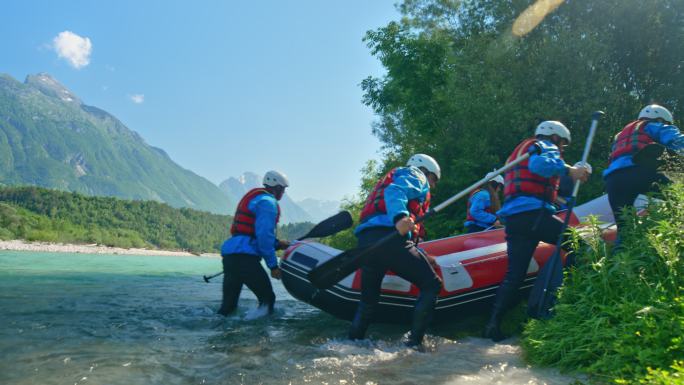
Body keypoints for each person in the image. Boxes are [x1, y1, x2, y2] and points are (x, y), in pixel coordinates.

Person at [483, 121, 591, 342]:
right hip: (534, 216)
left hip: (515, 219)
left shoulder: (524, 149)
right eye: (562, 145)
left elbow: (541, 181)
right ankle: (570, 300)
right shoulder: (544, 146)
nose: (561, 150)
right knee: (578, 245)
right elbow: (540, 167)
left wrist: (570, 185)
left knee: (515, 275)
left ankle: (492, 325)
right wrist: (571, 170)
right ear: (554, 138)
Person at [348, 154, 443, 348]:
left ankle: (352, 343)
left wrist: (422, 255)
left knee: (368, 301)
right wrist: (400, 217)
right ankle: (415, 346)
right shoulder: (416, 174)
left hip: (367, 242)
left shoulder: (394, 175)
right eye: (433, 179)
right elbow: (395, 191)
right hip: (389, 239)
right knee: (432, 284)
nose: (432, 186)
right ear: (426, 171)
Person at [603, 104, 683, 250]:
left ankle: (616, 268)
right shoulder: (654, 126)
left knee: (624, 231)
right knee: (679, 198)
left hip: (614, 181)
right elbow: (677, 140)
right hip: (640, 171)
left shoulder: (619, 135)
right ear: (660, 119)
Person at [217, 170, 291, 316]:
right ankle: (260, 336)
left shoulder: (257, 197)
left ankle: (220, 332)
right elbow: (263, 237)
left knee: (228, 307)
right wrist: (273, 266)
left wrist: (277, 244)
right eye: (283, 189)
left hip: (231, 258)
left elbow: (251, 235)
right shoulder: (268, 203)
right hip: (245, 260)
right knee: (268, 299)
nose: (283, 192)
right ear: (276, 187)